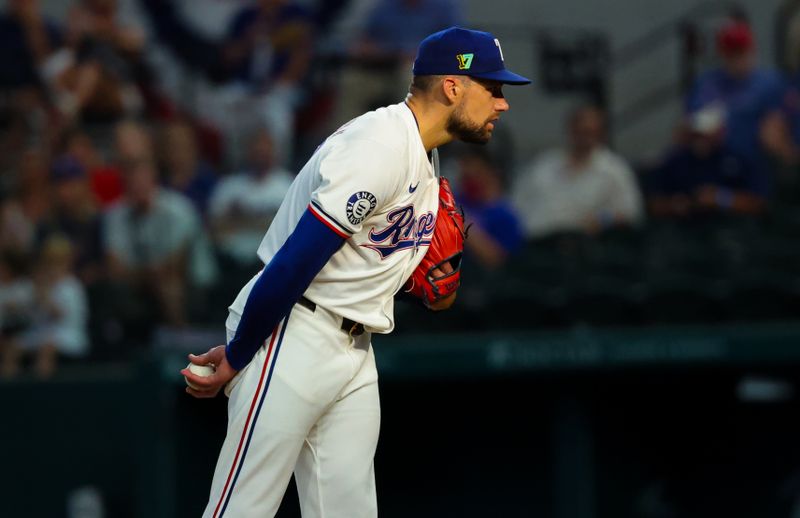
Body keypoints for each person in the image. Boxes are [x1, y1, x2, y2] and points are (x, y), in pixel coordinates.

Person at [182, 26, 530, 517]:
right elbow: (295, 261)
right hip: (293, 331)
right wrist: (241, 353)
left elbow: (420, 285)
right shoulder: (380, 145)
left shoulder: (425, 158)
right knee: (241, 509)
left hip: (354, 348)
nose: (502, 103)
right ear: (453, 87)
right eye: (493, 89)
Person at [512, 105, 644, 239]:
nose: (585, 138)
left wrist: (602, 220)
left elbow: (630, 213)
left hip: (578, 245)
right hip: (530, 241)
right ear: (570, 130)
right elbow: (516, 203)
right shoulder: (544, 164)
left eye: (590, 132)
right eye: (580, 131)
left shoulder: (614, 170)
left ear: (601, 134)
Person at [648, 105, 767, 218]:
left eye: (706, 134)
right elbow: (654, 204)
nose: (701, 139)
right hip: (684, 228)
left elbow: (759, 204)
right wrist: (673, 205)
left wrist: (720, 198)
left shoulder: (738, 160)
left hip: (731, 226)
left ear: (720, 133)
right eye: (698, 133)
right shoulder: (676, 160)